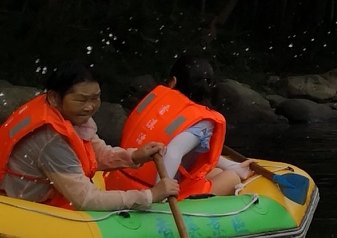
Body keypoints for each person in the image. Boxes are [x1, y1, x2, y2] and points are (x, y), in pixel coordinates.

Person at [0, 61, 176, 211]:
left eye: (95, 98)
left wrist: (133, 156)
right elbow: (85, 199)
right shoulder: (50, 140)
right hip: (24, 209)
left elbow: (94, 151)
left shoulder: (66, 115)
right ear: (54, 97)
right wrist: (149, 196)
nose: (90, 107)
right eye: (82, 100)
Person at [106, 54, 250, 200]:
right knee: (231, 178)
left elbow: (190, 150)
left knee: (216, 172)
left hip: (119, 181)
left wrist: (233, 166)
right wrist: (159, 194)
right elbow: (173, 151)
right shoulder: (203, 121)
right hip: (149, 192)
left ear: (172, 82)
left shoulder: (157, 104)